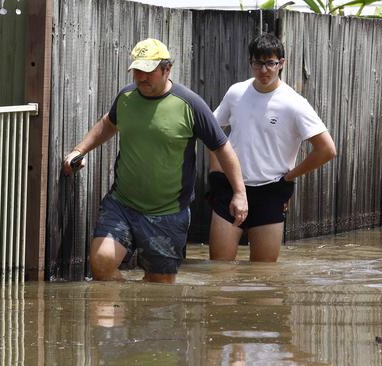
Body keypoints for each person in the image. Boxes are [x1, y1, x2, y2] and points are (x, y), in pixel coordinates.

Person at [62, 38, 248, 284]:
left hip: (168, 213)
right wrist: (79, 150)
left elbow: (223, 148)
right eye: (137, 70)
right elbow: (108, 123)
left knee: (159, 288)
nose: (141, 77)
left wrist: (239, 193)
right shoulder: (127, 97)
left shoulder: (190, 104)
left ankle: (136, 312)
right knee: (101, 263)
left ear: (166, 69)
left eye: (148, 71)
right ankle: (121, 309)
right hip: (123, 204)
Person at [207, 33, 337, 262]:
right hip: (230, 187)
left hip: (270, 191)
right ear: (251, 63)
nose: (264, 70)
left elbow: (327, 149)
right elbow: (212, 130)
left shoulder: (294, 103)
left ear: (281, 64)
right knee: (219, 269)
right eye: (258, 63)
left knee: (264, 276)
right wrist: (215, 171)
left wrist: (289, 178)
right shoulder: (236, 92)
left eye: (271, 63)